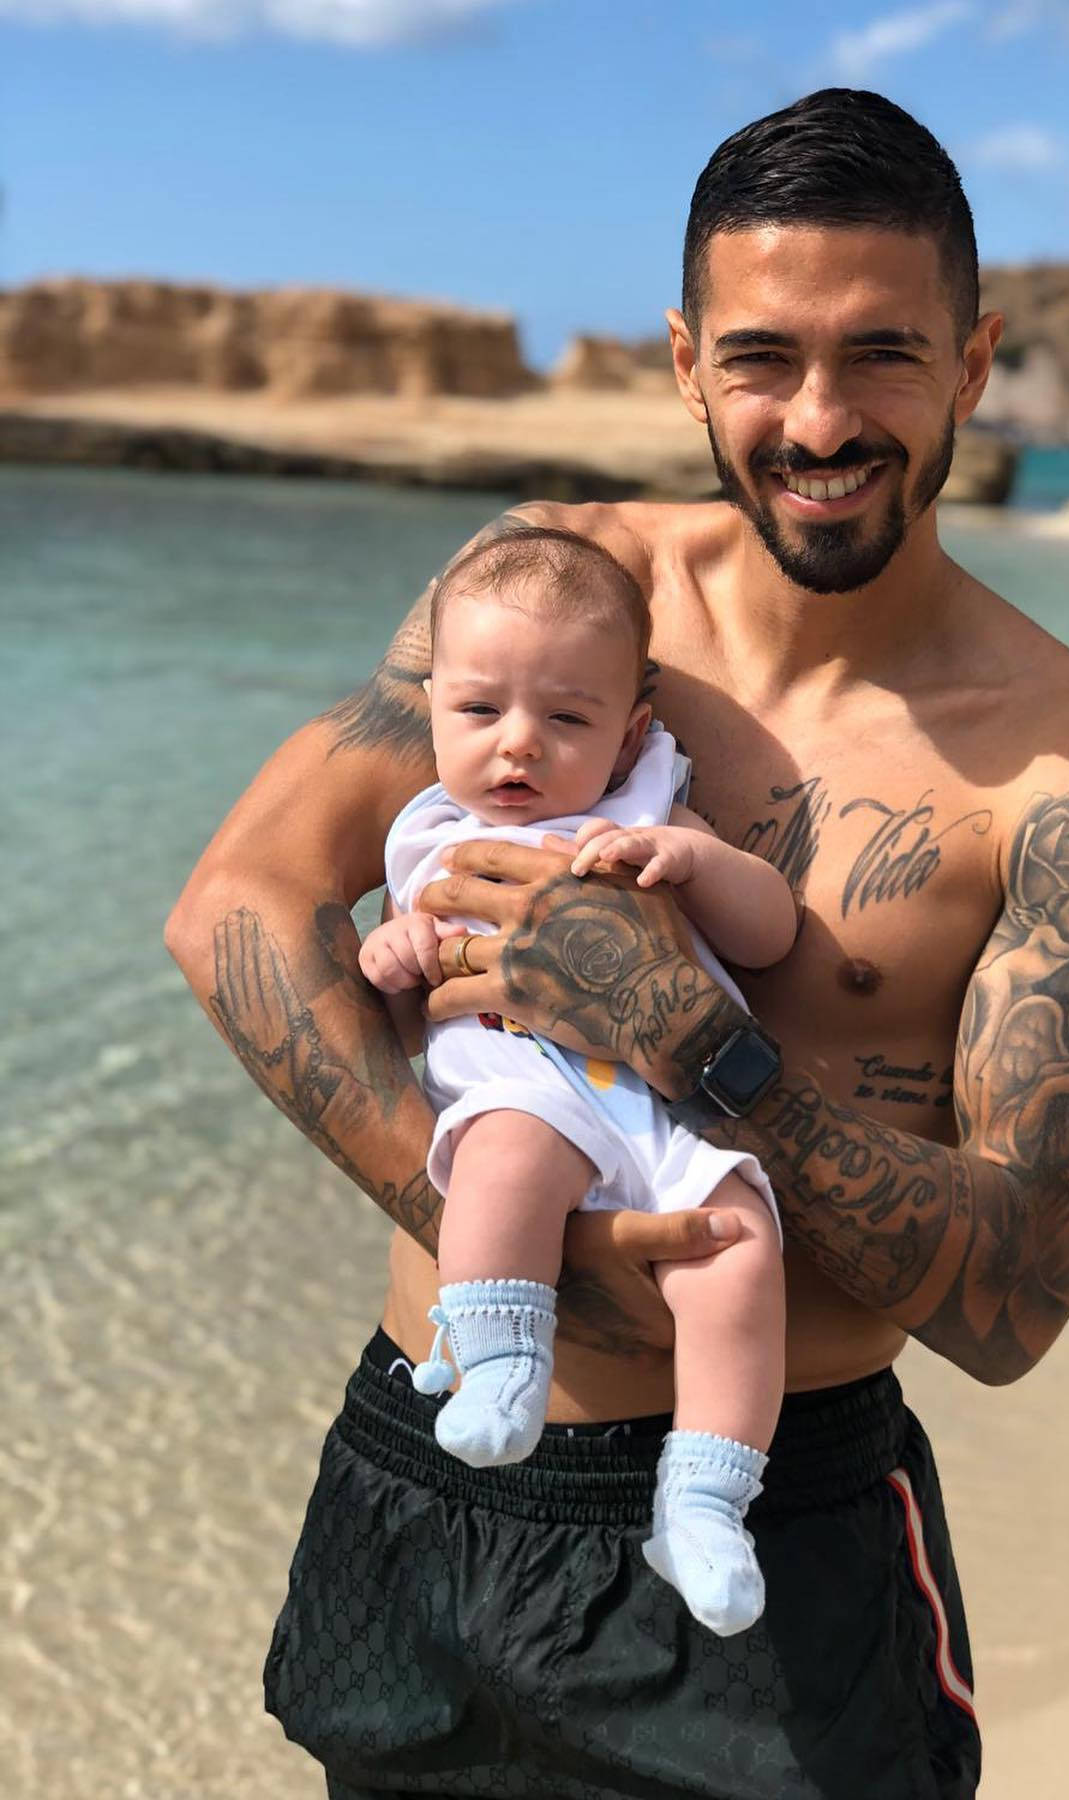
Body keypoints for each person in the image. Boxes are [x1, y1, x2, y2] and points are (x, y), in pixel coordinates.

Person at [168, 87, 1069, 1800]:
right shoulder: (555, 602)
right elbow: (240, 907)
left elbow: (1015, 1296)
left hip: (775, 1553)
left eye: (883, 353)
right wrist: (500, 1235)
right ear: (681, 359)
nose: (819, 417)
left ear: (977, 359)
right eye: (760, 357)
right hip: (427, 1483)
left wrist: (698, 1044)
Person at [357, 523, 794, 1637]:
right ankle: (502, 1359)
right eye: (480, 712)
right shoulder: (435, 837)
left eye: (566, 718)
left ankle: (705, 1500)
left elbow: (771, 935)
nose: (519, 748)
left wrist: (699, 864)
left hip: (665, 1104)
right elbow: (403, 997)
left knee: (741, 1249)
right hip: (529, 1081)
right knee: (505, 1156)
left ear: (632, 731)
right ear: (433, 713)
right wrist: (394, 955)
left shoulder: (646, 815)